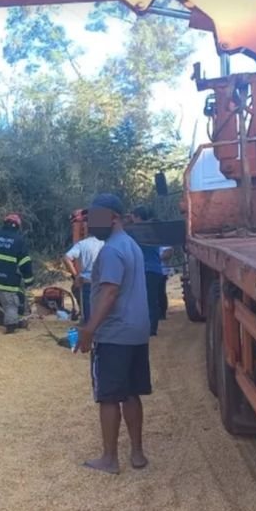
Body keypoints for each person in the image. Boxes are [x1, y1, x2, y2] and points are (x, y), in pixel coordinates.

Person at [76, 194, 151, 474]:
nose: (90, 224)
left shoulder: (110, 250)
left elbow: (109, 291)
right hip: (136, 331)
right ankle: (137, 453)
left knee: (108, 396)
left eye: (95, 217)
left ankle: (109, 458)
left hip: (114, 333)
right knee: (131, 393)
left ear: (113, 217)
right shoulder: (131, 245)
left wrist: (89, 329)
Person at [129, 206, 164, 336]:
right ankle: (152, 328)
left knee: (140, 300)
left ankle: (143, 326)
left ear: (137, 216)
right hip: (156, 269)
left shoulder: (135, 231)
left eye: (133, 216)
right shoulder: (154, 230)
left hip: (143, 270)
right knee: (152, 299)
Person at [63, 234, 104, 323]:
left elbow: (66, 258)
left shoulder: (82, 244)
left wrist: (76, 275)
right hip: (101, 282)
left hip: (86, 282)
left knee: (88, 315)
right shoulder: (104, 244)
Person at [158, 246, 174, 320]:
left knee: (161, 292)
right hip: (153, 269)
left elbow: (168, 253)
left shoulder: (164, 242)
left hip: (162, 271)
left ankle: (162, 313)